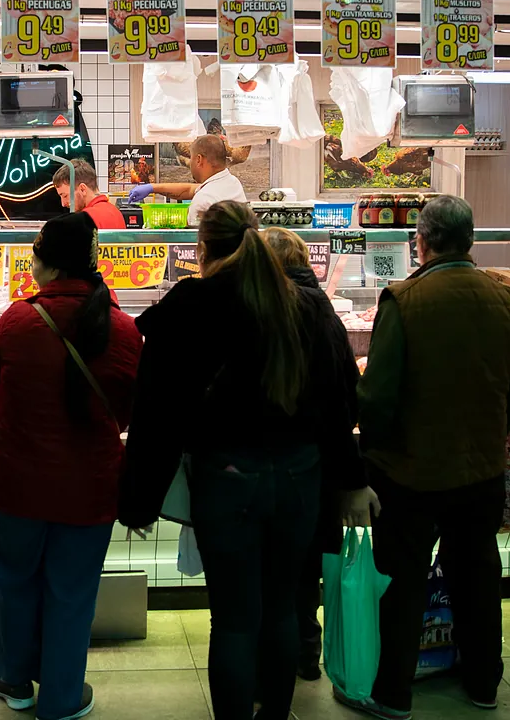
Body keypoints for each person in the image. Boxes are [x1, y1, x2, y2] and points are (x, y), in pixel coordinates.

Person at [120, 201, 379, 720]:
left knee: (236, 622)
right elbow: (338, 400)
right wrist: (351, 479)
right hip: (300, 477)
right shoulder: (304, 303)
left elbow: (156, 411)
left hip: (227, 480)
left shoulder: (192, 303)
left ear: (202, 248)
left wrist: (138, 499)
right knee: (282, 610)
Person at [0, 211, 142, 720]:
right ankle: (62, 697)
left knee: (16, 580)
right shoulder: (125, 329)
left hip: (18, 480)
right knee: (72, 592)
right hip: (88, 485)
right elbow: (125, 409)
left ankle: (15, 680)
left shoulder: (19, 320)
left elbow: (0, 387)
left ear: (49, 264)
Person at [357, 195, 510, 718]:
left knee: (402, 582)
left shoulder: (403, 299)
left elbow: (379, 398)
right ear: (470, 241)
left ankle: (393, 694)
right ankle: (484, 683)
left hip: (411, 472)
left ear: (421, 242)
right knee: (477, 575)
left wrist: (366, 451)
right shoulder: (504, 298)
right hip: (480, 469)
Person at [262, 227, 353, 681]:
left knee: (271, 570)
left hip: (271, 463)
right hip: (318, 468)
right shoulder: (326, 313)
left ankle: (273, 661)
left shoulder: (264, 309)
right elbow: (346, 398)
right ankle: (305, 651)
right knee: (308, 569)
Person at [126, 134, 247, 227]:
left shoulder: (204, 200)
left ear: (199, 159)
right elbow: (189, 189)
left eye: (192, 158)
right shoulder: (232, 183)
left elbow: (193, 244)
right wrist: (152, 188)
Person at [53, 159, 125, 230]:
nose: (63, 203)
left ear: (82, 189)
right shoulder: (115, 212)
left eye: (65, 196)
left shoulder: (86, 218)